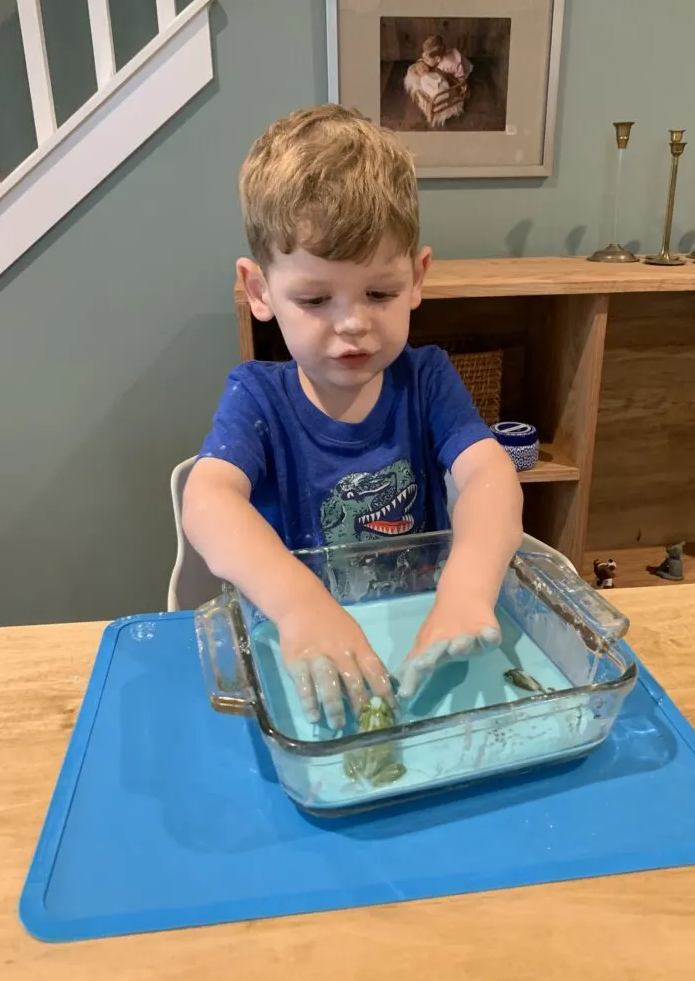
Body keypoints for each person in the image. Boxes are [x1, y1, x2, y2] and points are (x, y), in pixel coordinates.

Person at [183, 104, 523, 731]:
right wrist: (298, 605)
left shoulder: (427, 380)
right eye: (315, 299)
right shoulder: (257, 397)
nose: (353, 324)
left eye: (380, 293)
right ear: (260, 291)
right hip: (306, 653)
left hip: (418, 635)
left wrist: (467, 588)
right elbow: (207, 502)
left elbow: (488, 477)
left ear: (417, 278)